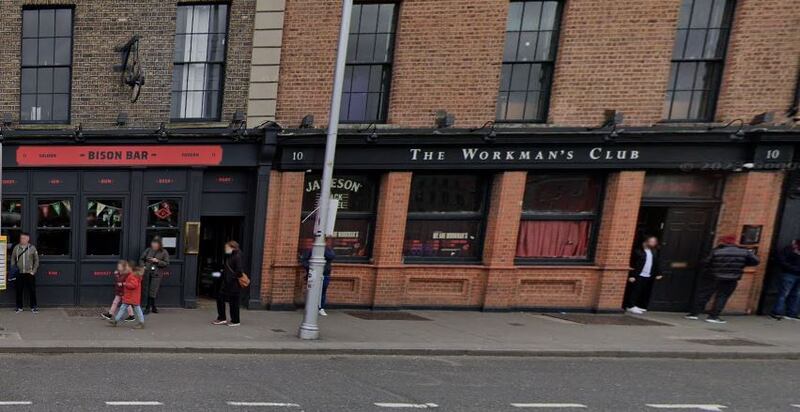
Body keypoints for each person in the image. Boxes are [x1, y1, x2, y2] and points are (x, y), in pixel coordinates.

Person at [686, 235, 760, 324]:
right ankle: (713, 316)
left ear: (723, 242)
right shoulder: (744, 252)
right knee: (722, 297)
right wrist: (742, 264)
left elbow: (705, 262)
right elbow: (756, 261)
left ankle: (694, 314)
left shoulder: (716, 251)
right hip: (732, 278)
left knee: (704, 294)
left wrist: (709, 269)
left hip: (713, 276)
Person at [625, 235, 663, 314]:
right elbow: (633, 263)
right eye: (651, 241)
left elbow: (656, 263)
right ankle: (630, 305)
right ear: (645, 242)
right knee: (635, 290)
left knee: (643, 291)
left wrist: (658, 273)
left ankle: (638, 305)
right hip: (638, 274)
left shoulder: (654, 251)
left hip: (648, 274)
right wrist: (632, 275)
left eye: (654, 242)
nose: (653, 243)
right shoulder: (637, 251)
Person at [301, 237, 336, 316]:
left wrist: (323, 250)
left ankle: (321, 308)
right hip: (314, 274)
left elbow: (331, 256)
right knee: (311, 291)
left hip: (325, 274)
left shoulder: (327, 250)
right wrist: (310, 267)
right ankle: (310, 307)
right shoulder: (311, 250)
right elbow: (304, 261)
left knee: (322, 291)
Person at [213, 241, 245, 326]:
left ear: (233, 247)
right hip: (227, 283)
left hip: (233, 284)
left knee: (234, 302)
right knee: (220, 298)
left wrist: (231, 278)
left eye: (227, 247)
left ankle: (235, 321)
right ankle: (222, 318)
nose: (225, 249)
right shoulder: (232, 255)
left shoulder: (237, 256)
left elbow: (239, 271)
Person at [770, 239, 800, 321]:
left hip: (790, 273)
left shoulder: (788, 250)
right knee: (788, 294)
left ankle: (787, 312)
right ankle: (783, 312)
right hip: (789, 274)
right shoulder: (789, 250)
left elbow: (782, 260)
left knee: (791, 294)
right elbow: (782, 261)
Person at [139, 236, 169, 314]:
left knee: (153, 290)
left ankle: (148, 307)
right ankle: (154, 306)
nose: (154, 245)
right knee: (147, 289)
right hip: (147, 272)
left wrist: (157, 261)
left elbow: (166, 263)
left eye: (156, 244)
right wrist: (143, 266)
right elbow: (141, 259)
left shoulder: (164, 252)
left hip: (157, 274)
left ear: (159, 244)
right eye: (153, 243)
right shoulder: (148, 250)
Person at [12, 232, 40, 313]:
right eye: (21, 238)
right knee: (19, 290)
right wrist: (14, 269)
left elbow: (36, 261)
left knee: (32, 290)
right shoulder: (16, 248)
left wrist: (33, 271)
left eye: (24, 238)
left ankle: (34, 307)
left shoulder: (32, 248)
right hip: (19, 273)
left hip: (29, 273)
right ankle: (19, 307)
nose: (22, 240)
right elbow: (13, 259)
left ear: (28, 239)